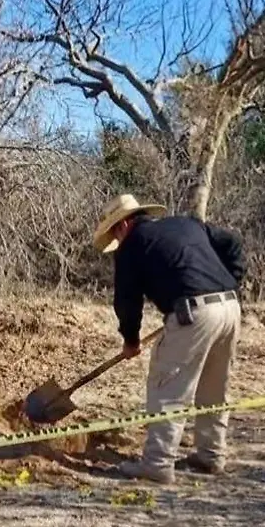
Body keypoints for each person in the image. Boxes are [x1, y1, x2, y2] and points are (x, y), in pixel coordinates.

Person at [91, 194, 246, 484]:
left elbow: (127, 301)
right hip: (230, 308)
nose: (116, 241)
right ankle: (211, 455)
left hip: (194, 313)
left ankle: (157, 463)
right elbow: (233, 243)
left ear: (122, 224)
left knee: (169, 386)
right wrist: (231, 282)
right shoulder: (188, 224)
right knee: (215, 386)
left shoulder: (132, 245)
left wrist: (130, 340)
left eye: (114, 234)